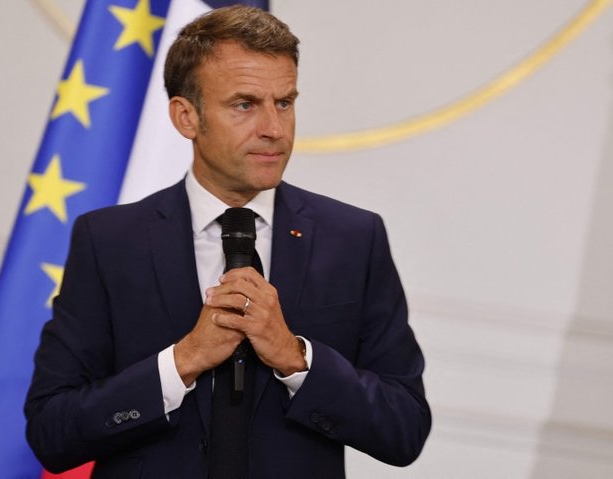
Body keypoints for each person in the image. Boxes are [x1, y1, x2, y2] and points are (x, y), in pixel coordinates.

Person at [25, 5, 431, 478]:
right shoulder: (110, 241)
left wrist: (295, 358)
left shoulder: (353, 239)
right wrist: (183, 361)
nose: (274, 129)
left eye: (285, 102)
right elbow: (52, 432)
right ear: (186, 117)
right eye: (244, 104)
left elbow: (404, 428)